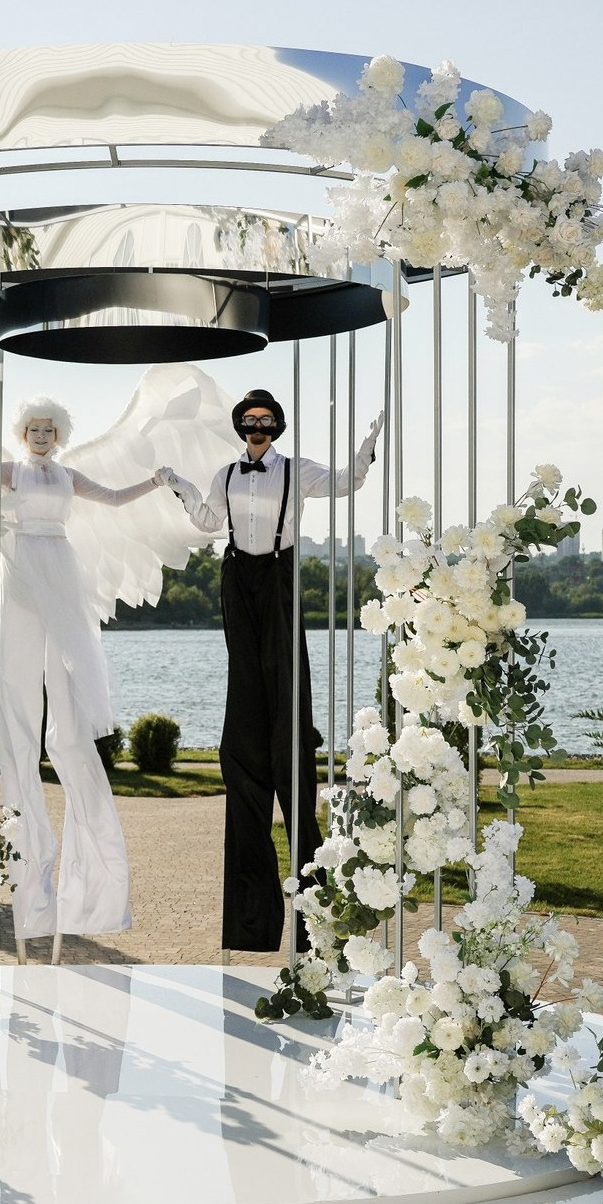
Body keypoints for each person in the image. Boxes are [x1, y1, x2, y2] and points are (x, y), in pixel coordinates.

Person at [0, 396, 176, 947]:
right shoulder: (13, 472)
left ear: (60, 432)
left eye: (50, 428)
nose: (42, 435)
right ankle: (28, 874)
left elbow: (117, 498)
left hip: (62, 568)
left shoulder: (69, 476)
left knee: (70, 687)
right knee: (21, 694)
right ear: (23, 432)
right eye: (35, 428)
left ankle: (80, 878)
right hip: (23, 569)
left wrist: (155, 481)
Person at [167, 390, 381, 953]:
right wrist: (183, 489)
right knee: (246, 685)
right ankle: (252, 925)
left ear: (276, 427)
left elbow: (345, 482)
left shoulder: (295, 471)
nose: (256, 428)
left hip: (282, 577)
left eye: (265, 421)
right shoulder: (226, 473)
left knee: (285, 682)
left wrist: (365, 452)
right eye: (249, 421)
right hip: (238, 575)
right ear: (241, 426)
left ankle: (291, 734)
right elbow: (210, 522)